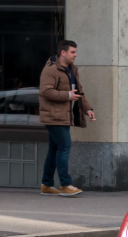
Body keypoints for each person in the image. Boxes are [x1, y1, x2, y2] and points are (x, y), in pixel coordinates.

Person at [39, 39, 95, 197]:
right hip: (53, 116)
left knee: (54, 150)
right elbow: (45, 91)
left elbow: (78, 92)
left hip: (63, 115)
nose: (75, 55)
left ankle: (47, 184)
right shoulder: (50, 70)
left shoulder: (71, 70)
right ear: (63, 53)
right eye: (72, 52)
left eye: (75, 52)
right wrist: (67, 96)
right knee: (64, 146)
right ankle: (65, 184)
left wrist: (87, 108)